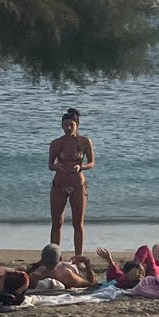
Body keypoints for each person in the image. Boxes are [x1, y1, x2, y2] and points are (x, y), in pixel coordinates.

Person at [48, 108, 96, 256]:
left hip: (77, 185)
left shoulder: (84, 142)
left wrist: (81, 166)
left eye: (71, 125)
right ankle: (55, 256)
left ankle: (78, 257)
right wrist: (55, 166)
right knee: (57, 223)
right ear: (61, 126)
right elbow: (49, 164)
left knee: (78, 224)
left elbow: (92, 162)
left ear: (77, 125)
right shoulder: (56, 143)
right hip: (59, 185)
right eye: (65, 125)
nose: (68, 128)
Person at [29, 243, 96, 292]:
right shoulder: (67, 275)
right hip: (66, 270)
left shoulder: (35, 276)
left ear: (42, 260)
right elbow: (91, 283)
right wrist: (87, 262)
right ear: (60, 259)